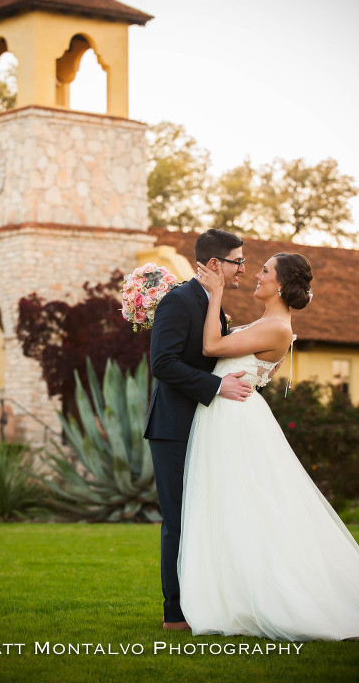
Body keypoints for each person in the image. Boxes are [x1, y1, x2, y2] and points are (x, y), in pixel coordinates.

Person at [178, 252, 359, 640]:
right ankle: (231, 593)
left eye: (265, 271)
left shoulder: (278, 328)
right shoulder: (267, 322)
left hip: (234, 418)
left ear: (281, 284)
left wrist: (216, 292)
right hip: (226, 411)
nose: (257, 275)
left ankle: (267, 596)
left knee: (246, 504)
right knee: (225, 503)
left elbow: (212, 347)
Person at [144, 229, 252, 630]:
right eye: (237, 261)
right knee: (179, 520)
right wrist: (217, 386)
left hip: (207, 426)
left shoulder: (213, 305)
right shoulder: (178, 300)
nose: (243, 268)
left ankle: (205, 602)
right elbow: (163, 364)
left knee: (204, 516)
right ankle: (175, 614)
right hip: (173, 427)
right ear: (213, 265)